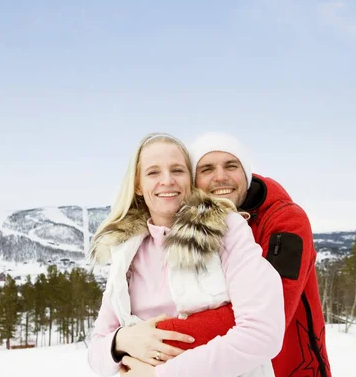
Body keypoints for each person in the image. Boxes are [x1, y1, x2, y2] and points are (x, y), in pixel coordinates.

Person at [87, 132, 285, 377]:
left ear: (189, 180)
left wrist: (162, 374)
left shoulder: (227, 229)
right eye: (153, 172)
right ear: (138, 185)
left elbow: (263, 333)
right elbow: (96, 351)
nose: (167, 180)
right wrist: (121, 340)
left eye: (177, 170)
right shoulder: (126, 249)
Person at [179, 131, 332, 377]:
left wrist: (155, 336)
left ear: (246, 173)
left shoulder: (286, 222)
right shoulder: (193, 226)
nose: (221, 176)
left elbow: (271, 313)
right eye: (207, 169)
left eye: (231, 166)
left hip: (290, 369)